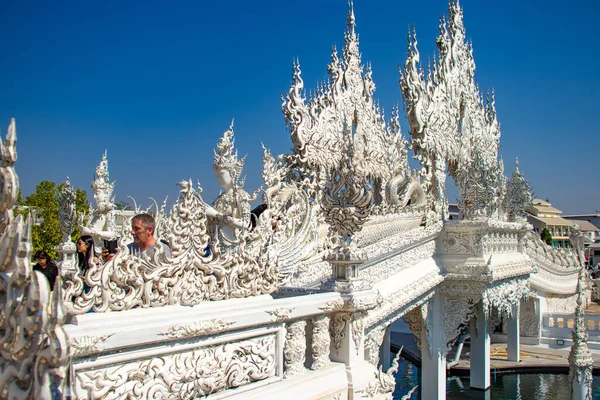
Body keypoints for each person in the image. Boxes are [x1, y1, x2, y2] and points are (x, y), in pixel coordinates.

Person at [102, 213, 171, 263]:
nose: (132, 232)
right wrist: (109, 263)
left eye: (137, 229)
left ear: (149, 230)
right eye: (132, 228)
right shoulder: (127, 249)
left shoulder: (162, 250)